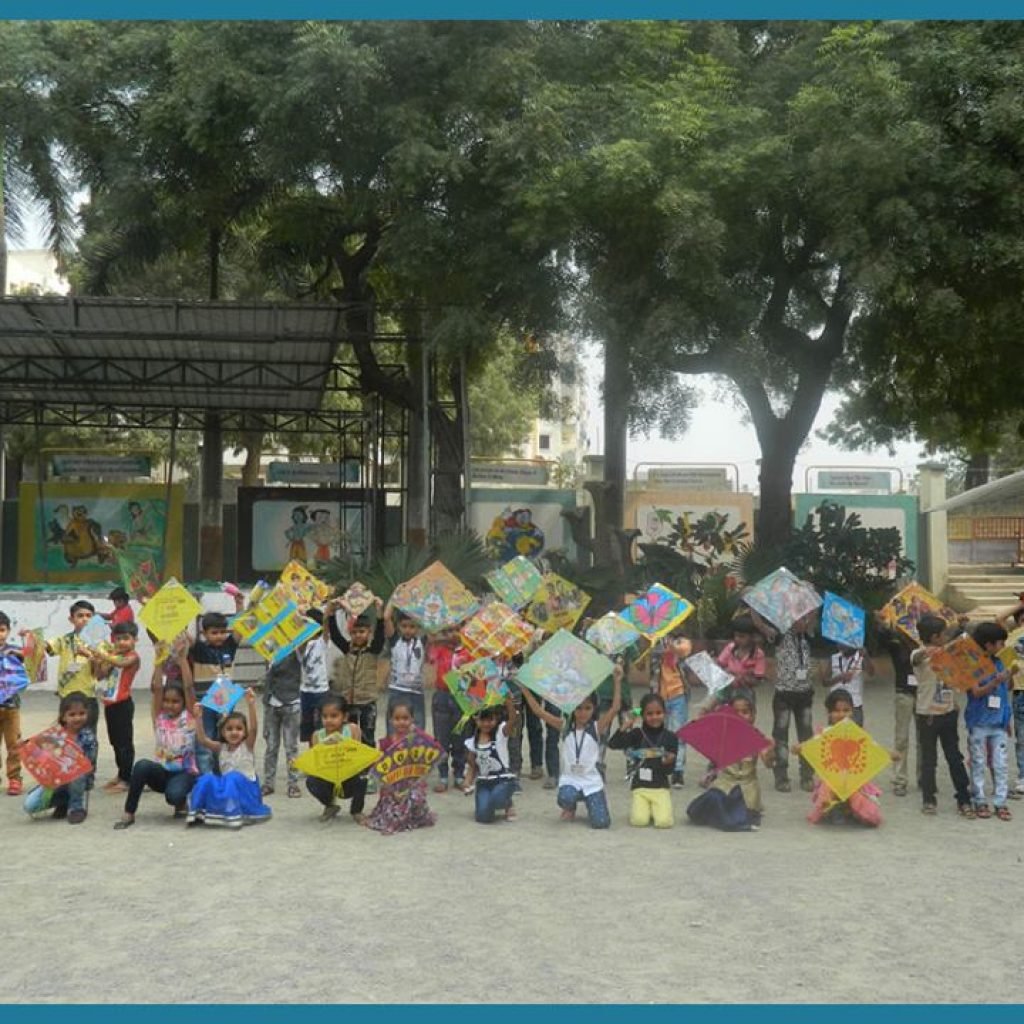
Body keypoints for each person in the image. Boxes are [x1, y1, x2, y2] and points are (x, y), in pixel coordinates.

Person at [523, 662, 623, 828]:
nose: (583, 712)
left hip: (591, 781)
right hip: (571, 779)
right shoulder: (565, 727)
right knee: (565, 797)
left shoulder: (596, 728)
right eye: (578, 708)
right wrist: (525, 688)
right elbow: (538, 711)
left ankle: (594, 799)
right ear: (572, 709)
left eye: (587, 708)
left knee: (601, 824)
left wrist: (617, 681)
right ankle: (570, 806)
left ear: (593, 709)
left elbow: (614, 708)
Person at [797, 688, 891, 827]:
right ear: (829, 713)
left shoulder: (858, 733)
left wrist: (889, 754)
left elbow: (873, 748)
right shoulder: (825, 733)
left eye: (846, 710)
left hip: (856, 781)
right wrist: (799, 748)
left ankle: (849, 809)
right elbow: (811, 745)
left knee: (872, 817)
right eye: (836, 711)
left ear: (852, 711)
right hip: (831, 781)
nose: (841, 715)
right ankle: (838, 808)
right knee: (829, 791)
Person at [114, 675, 198, 829]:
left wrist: (182, 660)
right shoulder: (159, 717)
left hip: (183, 772)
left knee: (173, 796)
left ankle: (181, 802)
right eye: (166, 701)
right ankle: (129, 812)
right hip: (162, 772)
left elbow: (188, 687)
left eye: (175, 701)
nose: (169, 705)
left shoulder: (191, 717)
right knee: (141, 765)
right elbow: (158, 689)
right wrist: (159, 660)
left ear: (184, 703)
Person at [912, 614, 973, 818]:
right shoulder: (919, 654)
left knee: (954, 756)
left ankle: (963, 797)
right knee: (929, 760)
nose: (946, 637)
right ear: (935, 636)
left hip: (947, 713)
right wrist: (929, 650)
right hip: (927, 714)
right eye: (943, 634)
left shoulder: (948, 652)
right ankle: (929, 799)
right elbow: (916, 658)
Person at [326, 597, 387, 790]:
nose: (358, 635)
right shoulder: (347, 649)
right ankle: (353, 772)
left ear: (368, 633)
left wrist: (379, 612)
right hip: (349, 702)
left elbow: (381, 636)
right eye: (354, 632)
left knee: (368, 737)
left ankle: (369, 775)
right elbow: (335, 635)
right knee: (350, 738)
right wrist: (331, 612)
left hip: (367, 701)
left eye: (362, 632)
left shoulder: (373, 650)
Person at [188, 689, 271, 828]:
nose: (234, 732)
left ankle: (234, 814)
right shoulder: (221, 748)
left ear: (244, 731)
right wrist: (198, 718)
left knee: (233, 777)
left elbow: (254, 729)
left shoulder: (247, 746)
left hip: (246, 791)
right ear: (222, 732)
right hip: (227, 788)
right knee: (207, 779)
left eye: (239, 729)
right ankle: (198, 812)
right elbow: (202, 740)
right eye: (229, 729)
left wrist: (251, 704)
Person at [180, 603, 244, 774]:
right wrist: (180, 616)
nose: (219, 636)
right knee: (205, 737)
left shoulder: (230, 645)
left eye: (222, 632)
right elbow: (183, 635)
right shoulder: (199, 648)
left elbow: (241, 626)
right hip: (205, 700)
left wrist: (239, 604)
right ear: (204, 633)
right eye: (214, 633)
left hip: (227, 698)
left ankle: (225, 770)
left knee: (225, 736)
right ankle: (206, 776)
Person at [364, 699, 436, 835]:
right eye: (397, 718)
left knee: (415, 799)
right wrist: (390, 788)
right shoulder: (386, 742)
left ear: (412, 719)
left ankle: (408, 817)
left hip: (411, 781)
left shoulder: (417, 739)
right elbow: (380, 769)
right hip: (392, 784)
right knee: (393, 810)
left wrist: (418, 732)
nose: (401, 722)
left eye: (405, 718)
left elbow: (432, 748)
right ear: (390, 720)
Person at [23, 693, 97, 825]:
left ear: (87, 714)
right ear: (63, 716)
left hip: (78, 779)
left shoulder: (88, 737)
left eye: (81, 713)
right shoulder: (55, 734)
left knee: (78, 770)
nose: (77, 718)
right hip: (56, 779)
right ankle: (64, 801)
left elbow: (88, 764)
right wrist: (24, 745)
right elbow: (39, 749)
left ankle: (76, 807)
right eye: (72, 714)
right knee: (30, 805)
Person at [608, 692, 679, 828]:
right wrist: (625, 725)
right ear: (643, 715)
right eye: (649, 714)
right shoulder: (637, 734)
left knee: (664, 822)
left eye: (658, 713)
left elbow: (669, 771)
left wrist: (668, 763)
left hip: (660, 787)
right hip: (640, 787)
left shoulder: (671, 738)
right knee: (639, 821)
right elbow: (613, 744)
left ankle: (655, 809)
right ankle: (646, 809)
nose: (654, 717)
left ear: (664, 713)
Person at [965, 622, 1012, 820]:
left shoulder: (999, 662)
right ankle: (979, 799)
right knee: (978, 761)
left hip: (998, 722)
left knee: (1001, 763)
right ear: (988, 644)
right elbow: (975, 692)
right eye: (1000, 642)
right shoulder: (973, 664)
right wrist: (995, 681)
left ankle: (1001, 801)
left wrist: (1006, 718)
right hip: (979, 722)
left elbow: (1004, 691)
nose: (1002, 646)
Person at [766, 612, 817, 794]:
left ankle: (807, 775)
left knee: (807, 737)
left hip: (804, 694)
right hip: (784, 694)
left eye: (804, 618)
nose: (801, 622)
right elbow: (762, 627)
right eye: (797, 618)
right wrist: (754, 610)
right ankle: (781, 776)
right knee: (781, 737)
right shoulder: (780, 634)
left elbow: (813, 618)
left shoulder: (807, 636)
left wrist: (813, 604)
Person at [91, 620, 141, 794]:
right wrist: (97, 660)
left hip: (123, 704)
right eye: (118, 639)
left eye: (126, 638)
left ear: (135, 640)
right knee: (115, 742)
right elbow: (100, 675)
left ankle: (127, 779)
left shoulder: (133, 656)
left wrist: (102, 653)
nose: (121, 642)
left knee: (125, 743)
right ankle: (121, 774)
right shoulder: (114, 656)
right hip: (110, 703)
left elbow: (121, 664)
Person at [304, 693, 369, 824]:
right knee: (311, 781)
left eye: (334, 716)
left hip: (349, 776)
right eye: (325, 716)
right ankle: (330, 805)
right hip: (329, 777)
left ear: (345, 717)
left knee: (363, 778)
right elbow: (315, 760)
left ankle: (356, 810)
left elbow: (358, 753)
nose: (329, 720)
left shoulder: (352, 729)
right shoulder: (317, 736)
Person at [874, 611, 919, 797]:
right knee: (901, 738)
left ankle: (924, 777)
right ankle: (900, 779)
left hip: (924, 693)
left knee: (924, 738)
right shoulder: (897, 642)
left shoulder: (926, 643)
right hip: (904, 693)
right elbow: (881, 639)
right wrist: (882, 624)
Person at [43, 600, 102, 732]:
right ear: (71, 619)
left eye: (88, 616)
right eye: (80, 616)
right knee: (67, 737)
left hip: (88, 695)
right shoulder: (64, 640)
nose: (85, 619)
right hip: (67, 695)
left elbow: (100, 673)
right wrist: (32, 638)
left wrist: (90, 656)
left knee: (88, 738)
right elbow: (46, 646)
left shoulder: (99, 644)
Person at [427, 627, 471, 793]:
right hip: (442, 696)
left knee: (460, 737)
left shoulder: (468, 652)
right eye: (449, 631)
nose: (452, 634)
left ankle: (459, 774)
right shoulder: (439, 649)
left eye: (457, 630)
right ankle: (443, 775)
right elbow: (430, 659)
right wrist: (432, 640)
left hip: (462, 698)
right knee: (441, 738)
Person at [463, 696, 519, 824]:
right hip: (484, 783)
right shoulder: (473, 742)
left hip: (502, 780)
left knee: (497, 798)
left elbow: (513, 720)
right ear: (476, 720)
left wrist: (509, 703)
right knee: (483, 817)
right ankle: (489, 803)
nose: (486, 724)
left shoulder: (501, 733)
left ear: (496, 719)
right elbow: (472, 766)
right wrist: (467, 782)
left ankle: (507, 803)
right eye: (483, 720)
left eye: (490, 720)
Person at [650, 632, 690, 788]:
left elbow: (682, 652)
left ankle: (678, 771)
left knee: (679, 734)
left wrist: (669, 646)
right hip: (659, 695)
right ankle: (662, 767)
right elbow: (650, 666)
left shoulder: (683, 642)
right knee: (660, 734)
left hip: (678, 694)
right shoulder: (655, 644)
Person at [261, 650, 302, 798]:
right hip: (271, 703)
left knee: (291, 747)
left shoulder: (296, 648)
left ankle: (293, 784)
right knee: (271, 746)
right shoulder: (269, 649)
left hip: (291, 703)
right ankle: (268, 783)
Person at [383, 609, 427, 732]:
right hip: (397, 690)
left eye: (412, 626)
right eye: (404, 626)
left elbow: (433, 624)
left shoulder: (422, 642)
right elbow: (386, 618)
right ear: (398, 626)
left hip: (416, 692)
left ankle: (414, 751)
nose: (408, 630)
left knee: (417, 730)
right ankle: (393, 751)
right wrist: (396, 596)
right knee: (393, 729)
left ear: (418, 627)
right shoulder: (395, 641)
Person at [0, 611, 25, 796]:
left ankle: (15, 778)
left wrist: (27, 642)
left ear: (8, 631)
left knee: (14, 744)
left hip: (11, 707)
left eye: (1, 630)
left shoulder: (15, 650)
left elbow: (31, 656)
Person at [298, 609, 329, 748]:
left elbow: (327, 624)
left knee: (322, 727)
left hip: (321, 691)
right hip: (305, 692)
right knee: (309, 727)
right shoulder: (301, 643)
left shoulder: (322, 642)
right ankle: (312, 753)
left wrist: (329, 609)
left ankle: (323, 754)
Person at [824, 643, 874, 727]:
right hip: (836, 704)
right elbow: (825, 682)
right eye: (839, 643)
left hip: (854, 704)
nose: (841, 645)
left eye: (844, 644)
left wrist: (866, 656)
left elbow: (871, 673)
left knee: (854, 735)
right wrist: (839, 678)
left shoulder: (860, 658)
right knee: (835, 735)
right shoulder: (834, 658)